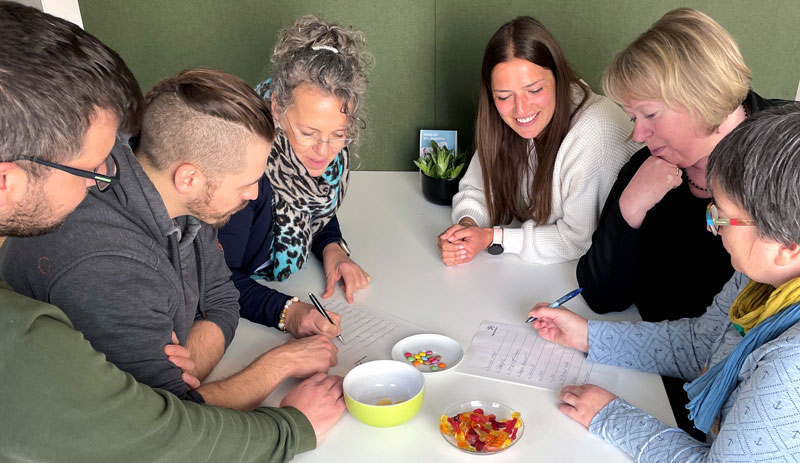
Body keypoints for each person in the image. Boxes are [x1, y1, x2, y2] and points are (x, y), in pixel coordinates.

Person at [0, 3, 342, 461]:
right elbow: (169, 428)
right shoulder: (100, 265)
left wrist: (190, 361)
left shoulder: (173, 189)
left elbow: (222, 297)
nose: (103, 177)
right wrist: (279, 377)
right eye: (87, 167)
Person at [529, 102, 800, 461]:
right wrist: (589, 335)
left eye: (722, 218)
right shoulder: (759, 279)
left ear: (786, 247)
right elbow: (699, 344)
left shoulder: (789, 364)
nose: (712, 228)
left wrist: (612, 416)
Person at [574, 8, 792, 437]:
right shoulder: (650, 164)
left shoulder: (784, 163)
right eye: (632, 117)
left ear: (702, 99)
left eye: (648, 115)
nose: (637, 134)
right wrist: (630, 207)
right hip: (655, 370)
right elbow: (601, 294)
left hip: (742, 408)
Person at [437, 16, 638, 266]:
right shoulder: (502, 117)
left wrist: (493, 237)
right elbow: (477, 190)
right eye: (504, 96)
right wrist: (467, 228)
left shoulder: (594, 129)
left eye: (534, 90)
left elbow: (576, 239)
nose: (521, 110)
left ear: (558, 76)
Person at [219, 15, 372, 337]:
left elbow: (316, 211)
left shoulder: (328, 154)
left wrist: (334, 250)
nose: (323, 150)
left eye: (338, 134)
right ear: (276, 109)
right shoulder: (245, 172)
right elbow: (217, 278)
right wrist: (288, 312)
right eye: (308, 133)